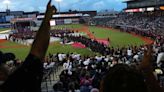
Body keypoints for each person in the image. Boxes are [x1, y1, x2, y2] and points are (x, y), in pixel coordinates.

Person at [0, 0, 57, 92]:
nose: (7, 66)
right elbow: (38, 52)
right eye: (3, 63)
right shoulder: (11, 86)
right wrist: (47, 19)